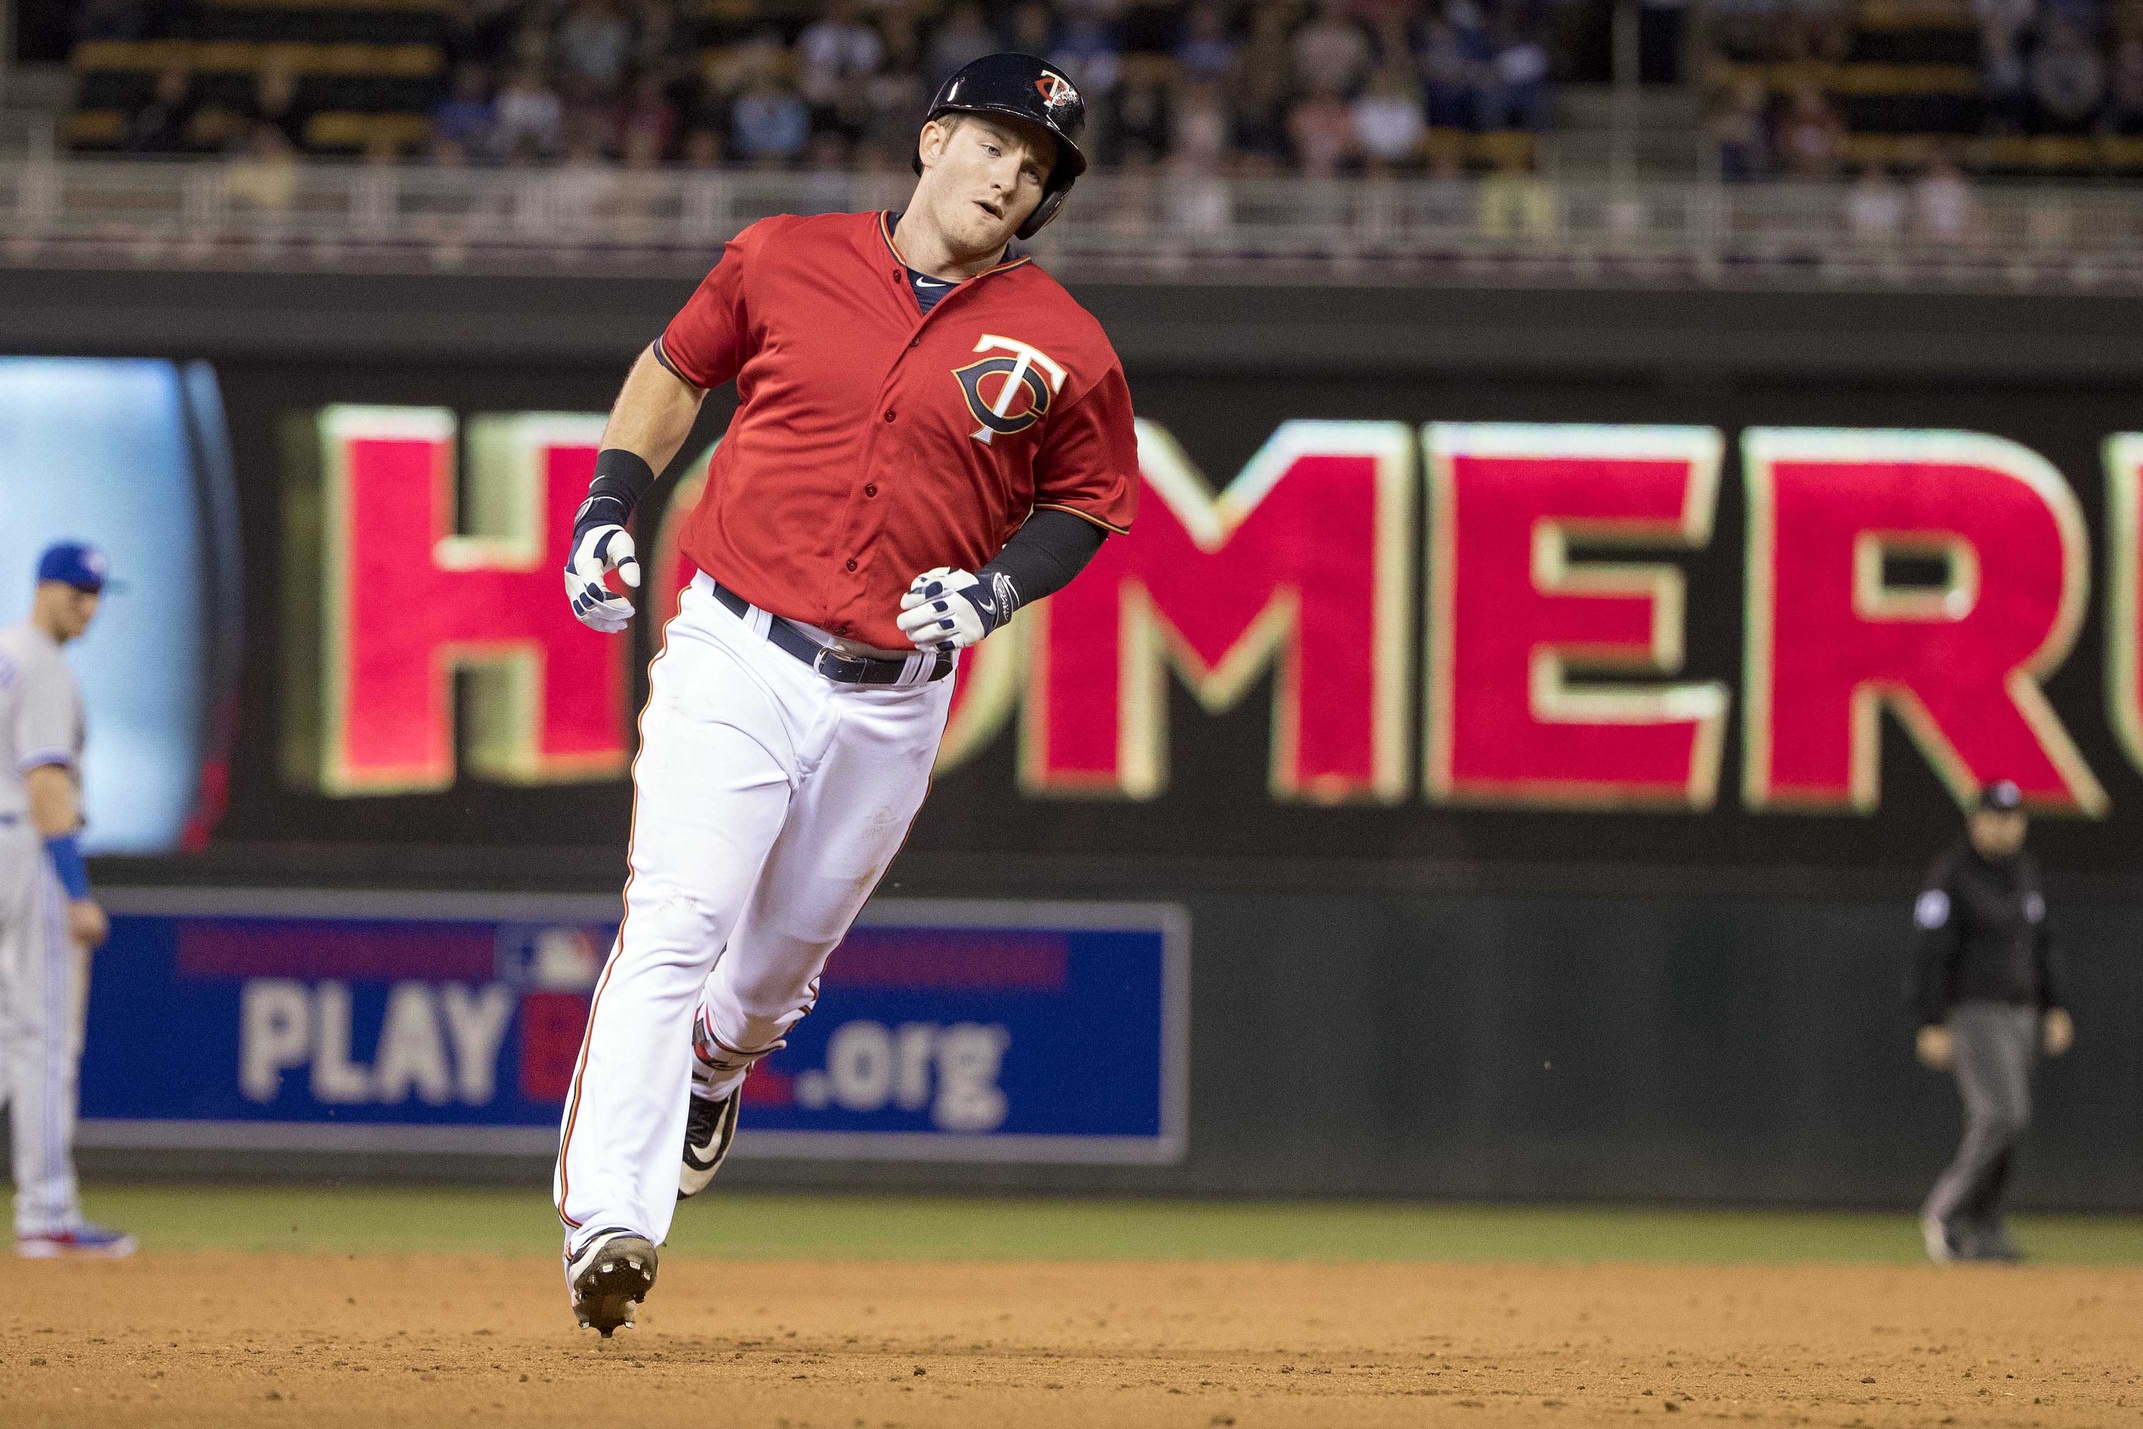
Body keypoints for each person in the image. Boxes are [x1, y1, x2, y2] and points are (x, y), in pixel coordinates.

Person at [551, 53, 1137, 1336]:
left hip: (893, 696)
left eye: (1036, 169)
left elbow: (1087, 504)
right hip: (734, 649)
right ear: (932, 142)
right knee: (675, 921)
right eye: (994, 144)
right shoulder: (782, 255)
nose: (1012, 176)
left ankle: (722, 1062)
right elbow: (673, 368)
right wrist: (606, 503)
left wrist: (993, 592)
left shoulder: (1065, 341)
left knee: (774, 969)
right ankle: (611, 1219)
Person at [0, 543, 129, 1258]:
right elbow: (48, 782)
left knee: (5, 1037)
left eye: (97, 593)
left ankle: (45, 1209)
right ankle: (48, 1213)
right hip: (26, 849)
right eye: (77, 590)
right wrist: (74, 890)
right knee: (45, 1039)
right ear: (43, 586)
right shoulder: (43, 666)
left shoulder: (4, 654)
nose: (89, 606)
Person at [1909, 780, 2075, 1264]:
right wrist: (1932, 1019)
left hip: (2022, 1010)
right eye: (1996, 816)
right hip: (1974, 1010)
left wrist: (2055, 1005)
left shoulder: (2024, 871)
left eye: (2013, 817)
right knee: (2003, 1113)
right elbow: (1929, 952)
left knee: (2009, 1123)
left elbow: (2043, 943)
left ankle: (1985, 1228)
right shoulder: (1953, 874)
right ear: (1975, 820)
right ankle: (1946, 1211)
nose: (2005, 826)